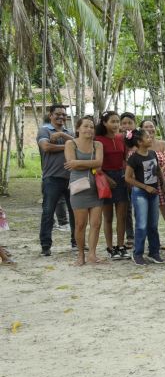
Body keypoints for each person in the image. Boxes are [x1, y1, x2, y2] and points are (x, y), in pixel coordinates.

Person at [64, 116, 105, 266]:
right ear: (78, 129)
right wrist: (85, 164)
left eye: (92, 127)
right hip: (79, 186)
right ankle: (80, 255)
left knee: (96, 223)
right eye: (86, 126)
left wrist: (78, 162)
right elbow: (71, 165)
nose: (89, 129)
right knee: (80, 224)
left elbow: (99, 162)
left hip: (96, 186)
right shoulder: (70, 143)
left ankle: (92, 255)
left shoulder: (98, 145)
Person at [37, 104, 76, 256]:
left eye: (63, 114)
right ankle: (45, 246)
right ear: (51, 115)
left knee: (75, 212)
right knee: (48, 212)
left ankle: (76, 243)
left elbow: (80, 146)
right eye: (57, 114)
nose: (61, 117)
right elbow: (46, 147)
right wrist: (68, 146)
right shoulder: (44, 130)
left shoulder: (69, 132)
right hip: (51, 178)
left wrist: (63, 137)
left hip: (71, 178)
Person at [124, 128, 165, 266]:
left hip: (154, 193)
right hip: (140, 194)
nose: (150, 138)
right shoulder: (134, 158)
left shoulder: (153, 153)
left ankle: (154, 252)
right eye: (147, 137)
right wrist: (145, 187)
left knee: (153, 225)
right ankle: (137, 253)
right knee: (141, 225)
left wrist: (164, 184)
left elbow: (158, 170)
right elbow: (128, 178)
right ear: (139, 141)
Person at [95, 111, 130, 260]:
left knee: (122, 216)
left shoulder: (121, 139)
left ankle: (121, 246)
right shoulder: (98, 140)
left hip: (121, 177)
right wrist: (107, 179)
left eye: (118, 122)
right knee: (108, 217)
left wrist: (127, 177)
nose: (116, 125)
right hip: (105, 178)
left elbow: (125, 160)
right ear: (104, 123)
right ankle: (110, 247)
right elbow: (96, 165)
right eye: (113, 122)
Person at [141, 119, 165, 253]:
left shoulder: (162, 144)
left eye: (152, 126)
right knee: (150, 220)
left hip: (163, 185)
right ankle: (153, 247)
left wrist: (159, 176)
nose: (150, 129)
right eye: (146, 127)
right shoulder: (139, 146)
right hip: (146, 186)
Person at [120, 112, 137, 248]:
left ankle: (142, 235)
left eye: (129, 123)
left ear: (135, 124)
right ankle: (130, 236)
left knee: (139, 208)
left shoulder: (139, 138)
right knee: (126, 208)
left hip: (138, 178)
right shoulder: (118, 138)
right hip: (122, 176)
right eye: (124, 123)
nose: (126, 126)